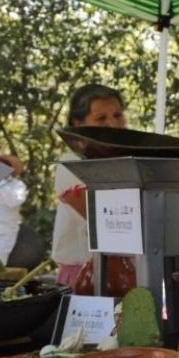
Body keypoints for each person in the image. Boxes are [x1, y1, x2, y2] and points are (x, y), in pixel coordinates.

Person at [52, 83, 135, 294]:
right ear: (77, 124)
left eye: (117, 115)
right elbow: (104, 218)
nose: (113, 124)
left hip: (129, 276)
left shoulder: (130, 164)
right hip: (83, 277)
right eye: (101, 119)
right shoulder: (72, 164)